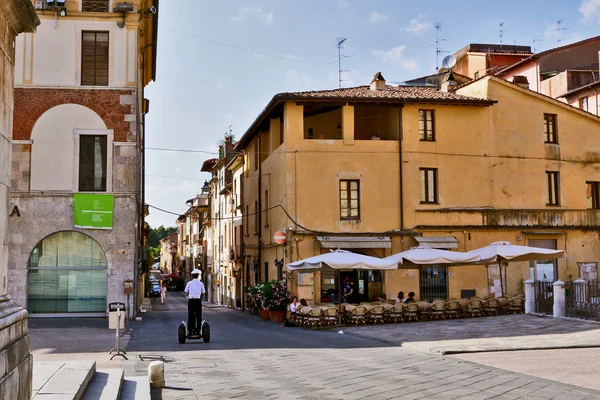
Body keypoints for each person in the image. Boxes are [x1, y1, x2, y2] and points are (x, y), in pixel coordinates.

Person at [184, 269, 206, 335]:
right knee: (198, 316)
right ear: (198, 276)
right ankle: (198, 330)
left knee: (191, 315)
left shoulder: (189, 283)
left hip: (191, 300)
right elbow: (203, 293)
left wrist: (190, 294)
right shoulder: (201, 283)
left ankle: (190, 330)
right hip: (198, 300)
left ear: (192, 276)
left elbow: (187, 292)